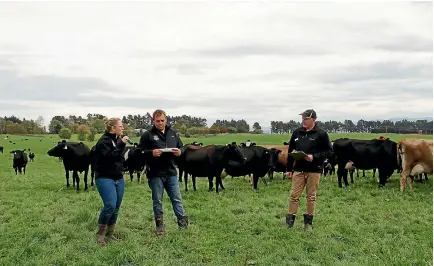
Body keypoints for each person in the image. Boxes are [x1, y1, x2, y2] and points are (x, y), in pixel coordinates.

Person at [138, 109, 188, 236]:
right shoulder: (147, 135)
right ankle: (159, 228)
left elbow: (181, 147)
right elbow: (139, 152)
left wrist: (180, 152)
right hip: (155, 173)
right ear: (153, 121)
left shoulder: (173, 133)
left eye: (162, 121)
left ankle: (183, 226)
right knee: (157, 201)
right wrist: (151, 153)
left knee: (177, 199)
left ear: (166, 120)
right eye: (157, 121)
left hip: (171, 172)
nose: (160, 123)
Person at [285, 109, 332, 231]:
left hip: (314, 170)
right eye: (302, 119)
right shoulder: (297, 133)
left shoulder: (321, 134)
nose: (303, 121)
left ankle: (308, 224)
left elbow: (329, 151)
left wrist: (314, 157)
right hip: (298, 169)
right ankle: (289, 223)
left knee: (311, 196)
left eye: (306, 119)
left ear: (314, 119)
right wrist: (288, 168)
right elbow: (290, 151)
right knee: (294, 195)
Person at [94, 117, 130, 246]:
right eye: (120, 126)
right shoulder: (103, 141)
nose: (122, 128)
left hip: (118, 178)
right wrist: (121, 144)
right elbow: (110, 157)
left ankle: (110, 234)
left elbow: (118, 158)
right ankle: (100, 236)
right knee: (110, 205)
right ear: (113, 128)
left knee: (116, 207)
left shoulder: (116, 140)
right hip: (104, 177)